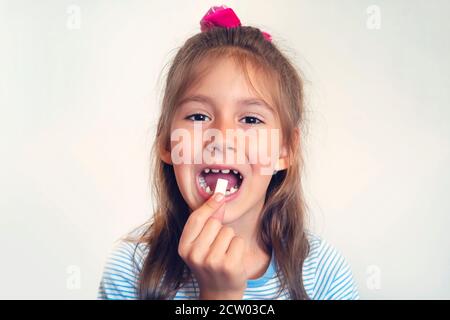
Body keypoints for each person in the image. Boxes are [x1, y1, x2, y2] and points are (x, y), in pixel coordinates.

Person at [98, 5, 359, 300]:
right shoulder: (130, 271)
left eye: (250, 119)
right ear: (167, 143)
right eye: (197, 117)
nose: (222, 138)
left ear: (285, 150)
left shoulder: (323, 273)